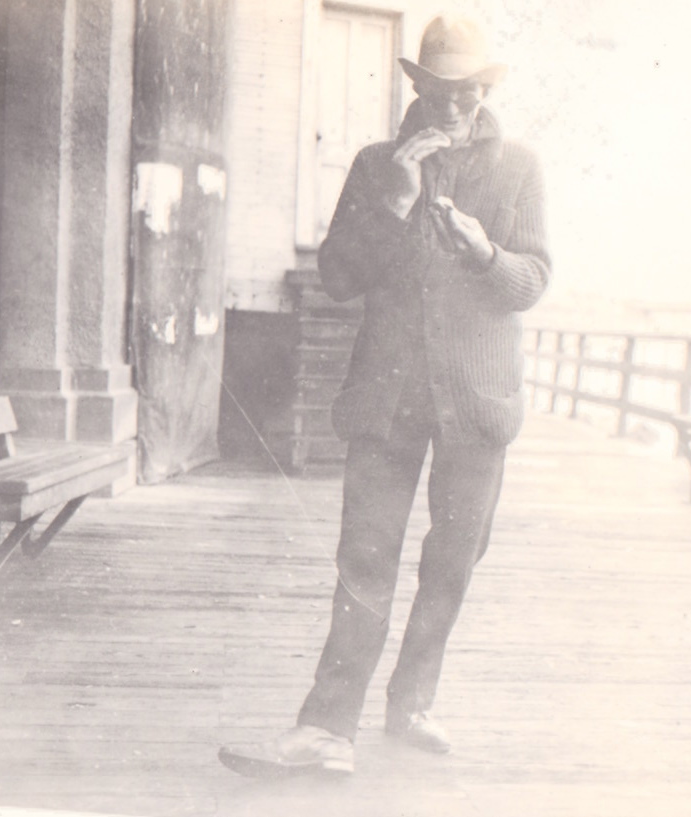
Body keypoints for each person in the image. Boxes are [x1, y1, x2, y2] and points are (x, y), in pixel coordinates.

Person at [219, 13, 550, 777]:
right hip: (386, 398)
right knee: (363, 558)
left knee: (452, 560)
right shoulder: (375, 166)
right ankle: (326, 726)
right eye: (436, 91)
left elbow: (530, 280)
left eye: (465, 92)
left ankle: (412, 702)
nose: (450, 107)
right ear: (416, 88)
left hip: (475, 403)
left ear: (485, 89)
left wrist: (484, 252)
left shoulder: (521, 169)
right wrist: (396, 201)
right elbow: (336, 275)